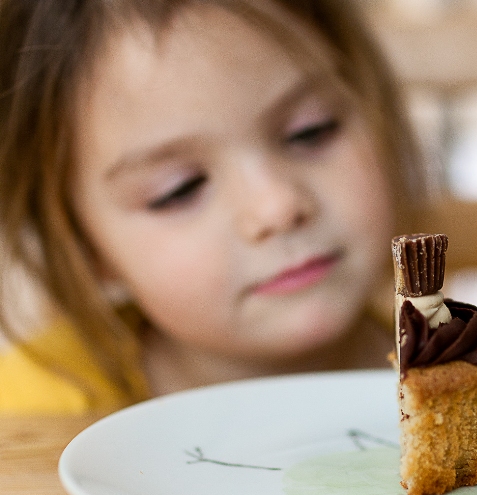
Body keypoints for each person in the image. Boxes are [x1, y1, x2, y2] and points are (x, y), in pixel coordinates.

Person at [0, 0, 424, 413]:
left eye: (310, 131)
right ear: (84, 248)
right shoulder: (22, 415)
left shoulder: (458, 359)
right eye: (178, 190)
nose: (276, 206)